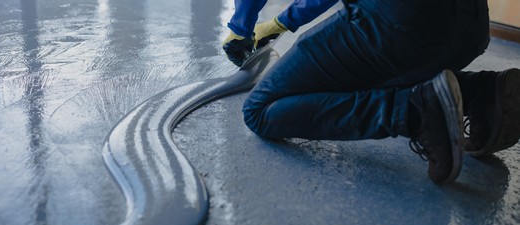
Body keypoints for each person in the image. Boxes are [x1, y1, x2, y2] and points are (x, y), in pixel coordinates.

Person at [222, 0, 520, 184]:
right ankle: (481, 92)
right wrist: (281, 23)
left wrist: (243, 25)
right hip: (472, 29)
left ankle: (415, 112)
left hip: (402, 22)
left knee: (259, 111)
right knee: (362, 71)